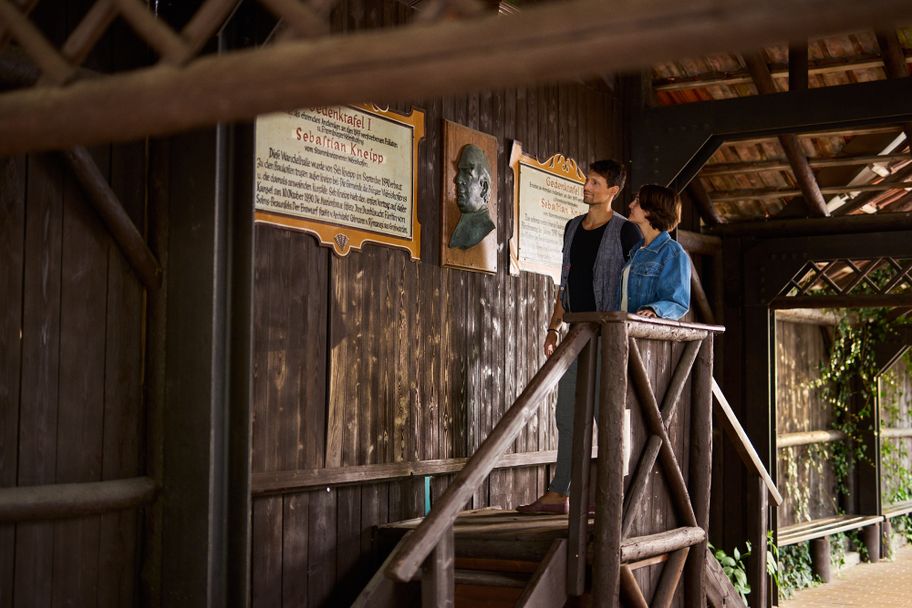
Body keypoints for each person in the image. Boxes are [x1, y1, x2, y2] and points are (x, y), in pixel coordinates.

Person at [517, 159, 640, 514]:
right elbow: (564, 283)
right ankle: (560, 493)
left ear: (612, 192)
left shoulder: (626, 231)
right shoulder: (572, 228)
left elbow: (639, 283)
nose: (587, 187)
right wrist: (553, 327)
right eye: (587, 180)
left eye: (595, 182)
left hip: (612, 336)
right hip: (577, 332)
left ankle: (616, 497)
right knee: (567, 413)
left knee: (610, 418)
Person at [620, 184, 690, 320]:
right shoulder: (635, 251)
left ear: (651, 210)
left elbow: (678, 302)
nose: (630, 205)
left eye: (637, 201)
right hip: (622, 333)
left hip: (647, 337)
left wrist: (654, 310)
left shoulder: (673, 252)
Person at [449, 144, 495, 249]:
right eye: (459, 172)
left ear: (484, 188)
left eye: (466, 173)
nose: (457, 180)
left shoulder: (484, 229)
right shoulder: (463, 226)